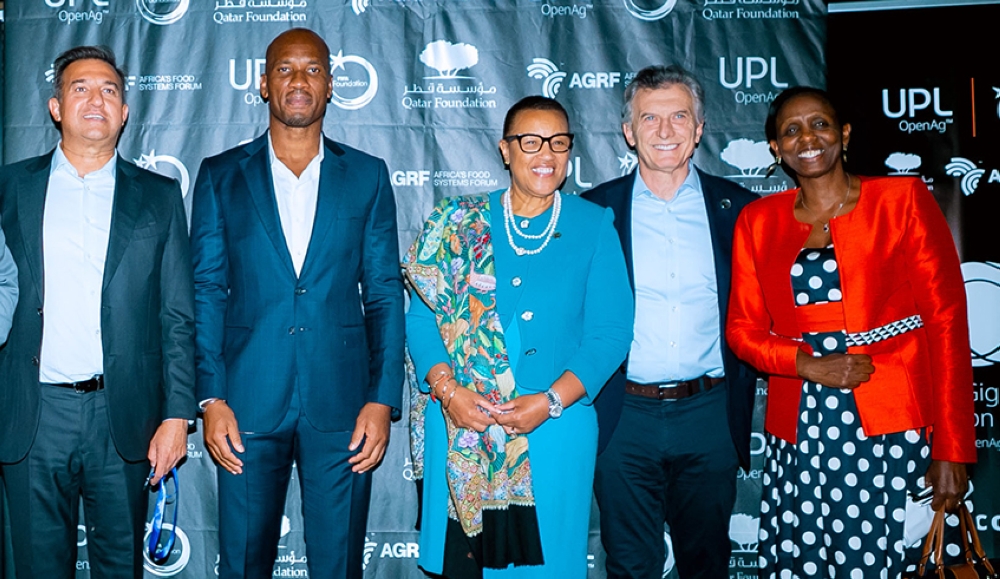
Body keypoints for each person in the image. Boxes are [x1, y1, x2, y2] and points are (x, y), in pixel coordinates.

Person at [726, 86, 976, 578]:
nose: (807, 138)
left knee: (888, 560)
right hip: (799, 427)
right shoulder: (758, 221)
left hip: (894, 427)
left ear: (843, 133)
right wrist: (806, 364)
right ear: (776, 149)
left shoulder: (901, 200)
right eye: (790, 131)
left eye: (819, 124)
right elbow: (742, 330)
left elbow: (946, 323)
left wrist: (952, 447)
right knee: (805, 561)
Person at [190, 28, 404, 579]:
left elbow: (382, 293)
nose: (299, 80)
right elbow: (207, 292)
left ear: (331, 85)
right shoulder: (219, 176)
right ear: (263, 83)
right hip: (244, 403)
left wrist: (382, 400)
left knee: (338, 566)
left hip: (344, 407)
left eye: (312, 69)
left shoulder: (368, 175)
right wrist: (211, 398)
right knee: (242, 563)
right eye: (285, 69)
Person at [404, 95, 633, 578]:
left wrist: (549, 401)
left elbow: (611, 334)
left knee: (541, 567)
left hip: (554, 430)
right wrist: (448, 393)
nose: (545, 154)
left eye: (558, 142)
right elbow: (423, 318)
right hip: (461, 425)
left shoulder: (593, 225)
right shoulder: (455, 221)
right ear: (505, 150)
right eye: (530, 142)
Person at [0, 45, 195, 579]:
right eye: (80, 88)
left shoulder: (159, 196)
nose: (96, 99)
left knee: (120, 568)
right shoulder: (9, 187)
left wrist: (178, 414)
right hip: (32, 414)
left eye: (109, 90)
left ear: (125, 112)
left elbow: (177, 313)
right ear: (56, 107)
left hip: (124, 416)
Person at [583, 64, 758, 579]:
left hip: (709, 414)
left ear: (699, 129)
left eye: (679, 117)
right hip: (621, 416)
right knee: (631, 564)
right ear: (628, 131)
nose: (664, 131)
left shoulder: (740, 211)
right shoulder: (593, 212)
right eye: (649, 118)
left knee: (707, 563)